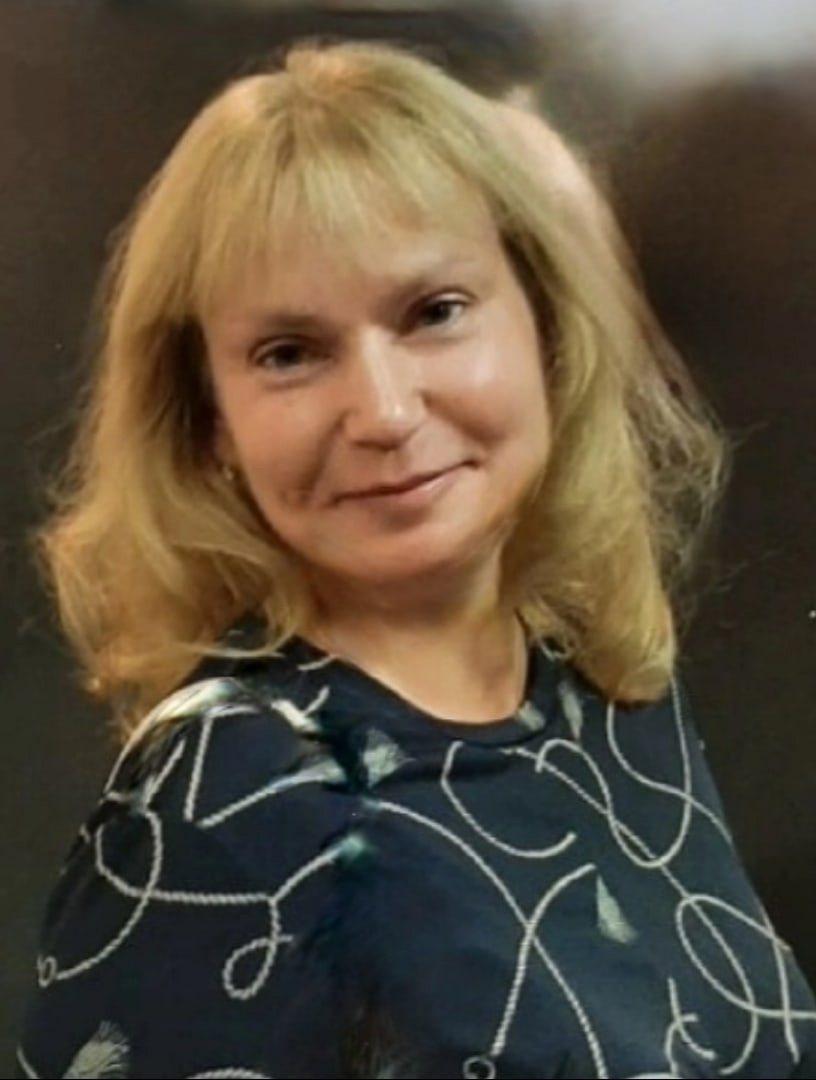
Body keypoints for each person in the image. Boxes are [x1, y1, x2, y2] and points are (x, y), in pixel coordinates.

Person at [15, 39, 816, 1080]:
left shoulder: (602, 687)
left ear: (545, 327)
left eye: (435, 313)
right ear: (210, 423)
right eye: (290, 354)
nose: (386, 413)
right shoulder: (230, 797)